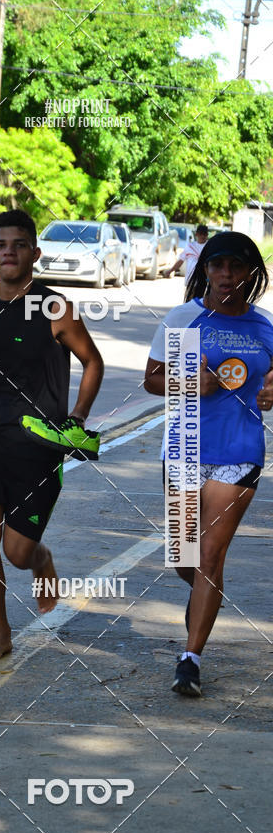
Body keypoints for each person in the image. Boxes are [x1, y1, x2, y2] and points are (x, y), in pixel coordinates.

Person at [0, 209, 104, 662]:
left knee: (16, 551)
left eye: (18, 244)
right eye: (1, 244)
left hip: (37, 445)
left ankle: (41, 560)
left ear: (34, 252)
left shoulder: (55, 307)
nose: (8, 251)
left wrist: (77, 418)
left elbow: (93, 361)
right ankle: (0, 632)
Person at [145, 231, 273, 696]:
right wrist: (191, 381)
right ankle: (204, 591)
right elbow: (152, 381)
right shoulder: (185, 318)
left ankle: (190, 658)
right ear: (206, 271)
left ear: (250, 274)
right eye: (217, 265)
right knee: (187, 557)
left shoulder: (267, 328)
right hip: (184, 447)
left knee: (212, 556)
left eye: (236, 266)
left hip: (239, 452)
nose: (226, 275)